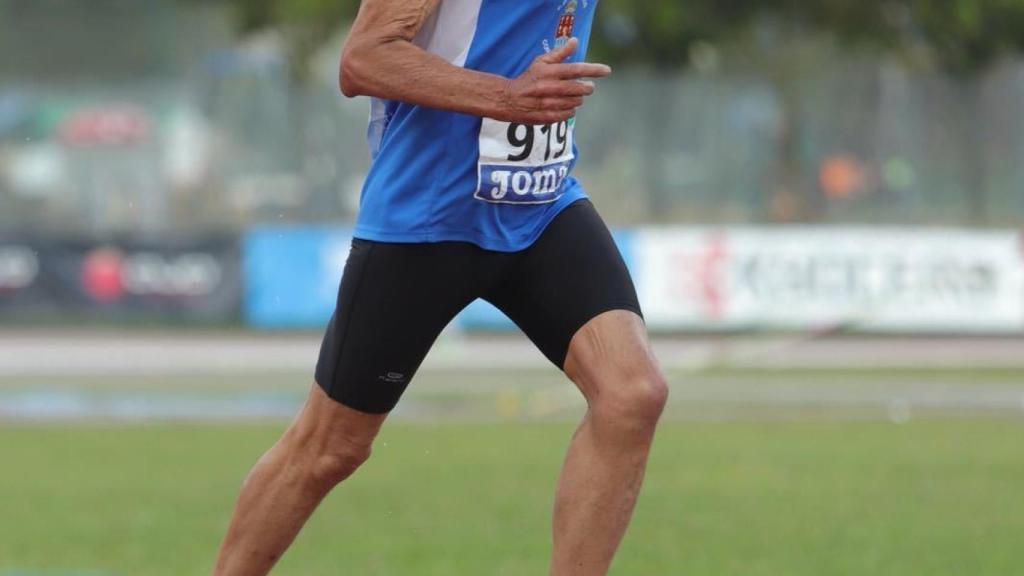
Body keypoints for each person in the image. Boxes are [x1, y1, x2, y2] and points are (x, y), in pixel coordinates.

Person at [213, 0, 668, 574]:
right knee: (331, 449)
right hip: (428, 215)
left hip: (538, 202)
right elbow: (362, 60)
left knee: (633, 394)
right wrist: (508, 97)